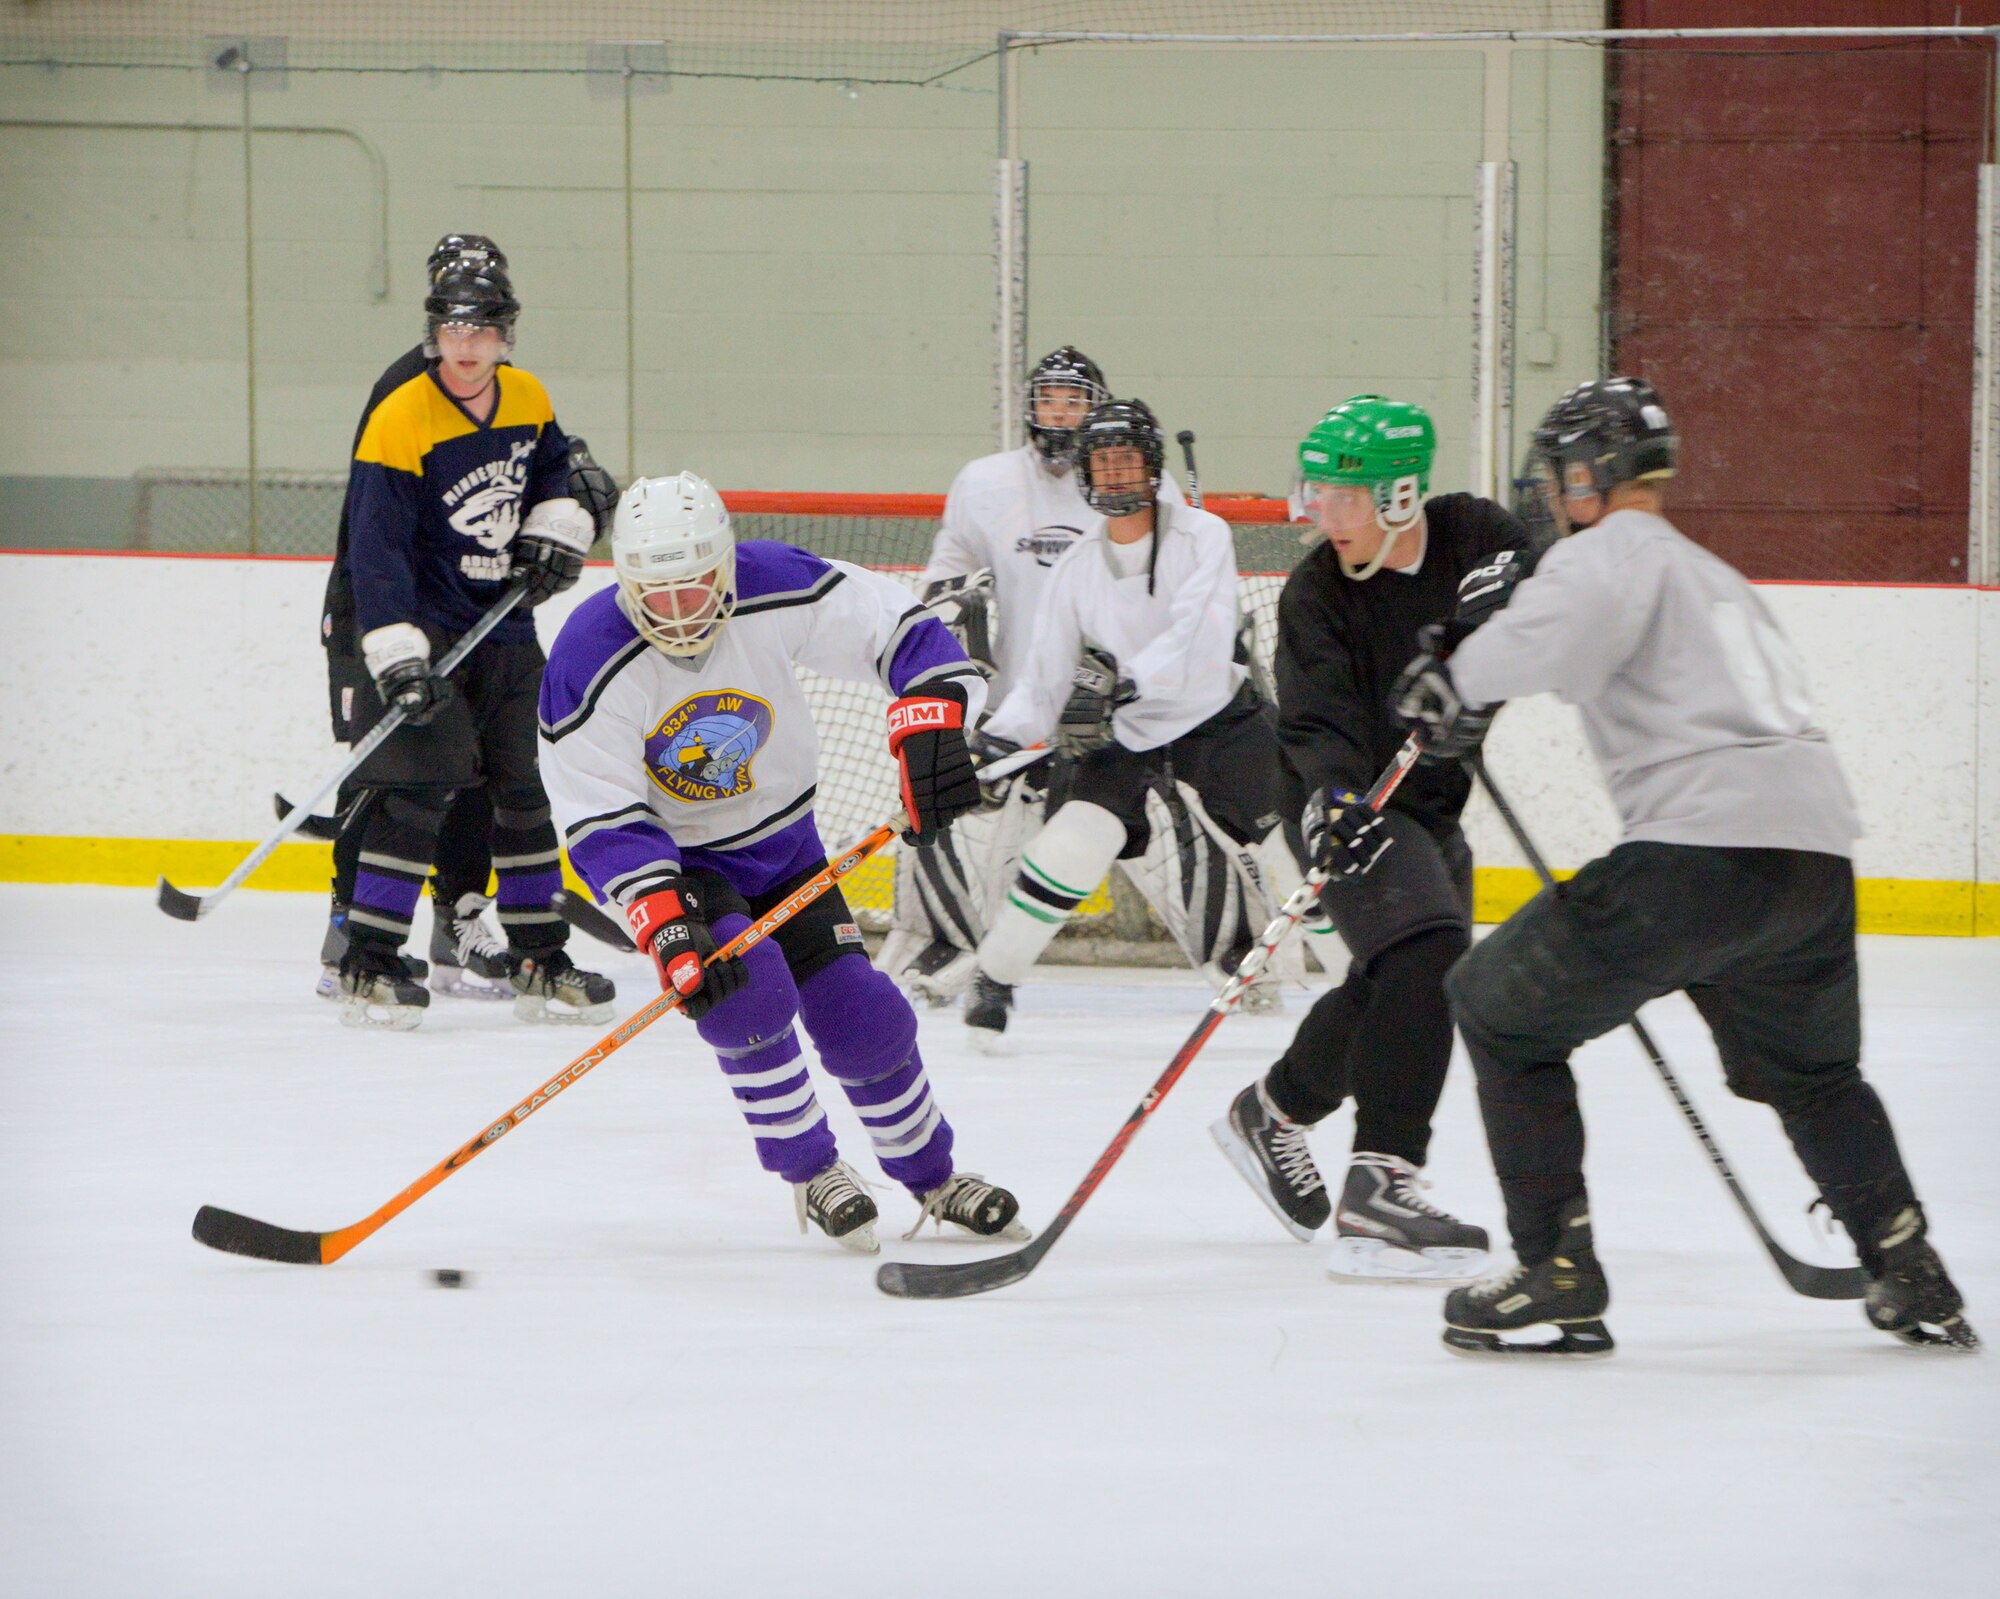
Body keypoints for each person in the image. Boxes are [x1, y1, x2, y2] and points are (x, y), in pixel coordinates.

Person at [1395, 376, 1975, 1354]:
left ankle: (1554, 1271)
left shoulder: (1602, 554)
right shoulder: (1711, 574)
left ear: (1587, 476)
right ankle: (1905, 1262)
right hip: (1811, 867)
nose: (1548, 494)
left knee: (1495, 1010)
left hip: (1696, 859)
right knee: (1814, 1075)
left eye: (1555, 477)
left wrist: (1446, 683)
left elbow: (1518, 655)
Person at [535, 471, 1028, 1253]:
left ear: (725, 564)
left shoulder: (772, 581)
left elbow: (893, 625)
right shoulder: (588, 655)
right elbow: (598, 810)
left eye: (695, 586)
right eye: (655, 594)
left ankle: (935, 1179)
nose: (678, 612)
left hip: (787, 845)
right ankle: (813, 1168)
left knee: (865, 1020)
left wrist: (932, 712)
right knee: (744, 996)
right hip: (683, 862)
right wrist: (663, 924)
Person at [1209, 395, 1521, 1279]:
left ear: (1399, 497)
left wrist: (1518, 581)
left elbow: (1543, 563)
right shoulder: (1316, 593)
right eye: (1315, 493)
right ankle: (1382, 1182)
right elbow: (1314, 727)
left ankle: (1273, 1110)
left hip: (1432, 802)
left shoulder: (1469, 533)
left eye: (1341, 497)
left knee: (1416, 978)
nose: (1319, 515)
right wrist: (1339, 798)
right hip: (1345, 806)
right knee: (1424, 955)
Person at [317, 234, 620, 1004]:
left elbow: (556, 475)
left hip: (507, 626)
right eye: (455, 328)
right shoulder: (401, 413)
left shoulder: (528, 395)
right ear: (434, 330)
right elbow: (375, 550)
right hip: (432, 630)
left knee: (524, 790)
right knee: (418, 788)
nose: (468, 344)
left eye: (483, 329)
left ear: (505, 332)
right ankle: (369, 957)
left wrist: (559, 530)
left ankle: (538, 956)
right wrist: (396, 654)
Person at [963, 398, 1285, 1049]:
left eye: (1126, 460)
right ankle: (992, 984)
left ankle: (1361, 978)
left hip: (1219, 718)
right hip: (1130, 730)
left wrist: (1124, 680)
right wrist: (995, 738)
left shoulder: (1204, 535)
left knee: (1295, 853)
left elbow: (1199, 640)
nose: (1114, 474)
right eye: (1102, 462)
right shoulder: (1076, 567)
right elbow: (1045, 682)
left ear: (1152, 467)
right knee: (1072, 841)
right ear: (1086, 472)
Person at [881, 347, 1196, 1005]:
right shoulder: (984, 482)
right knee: (944, 812)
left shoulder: (1138, 480)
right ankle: (946, 947)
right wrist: (961, 627)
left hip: (1119, 712)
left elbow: (1178, 591)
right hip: (1018, 711)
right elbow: (946, 575)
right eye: (1049, 399)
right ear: (1029, 409)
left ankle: (1242, 956)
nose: (1060, 414)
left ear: (1098, 409)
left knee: (1167, 841)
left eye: (1073, 401)